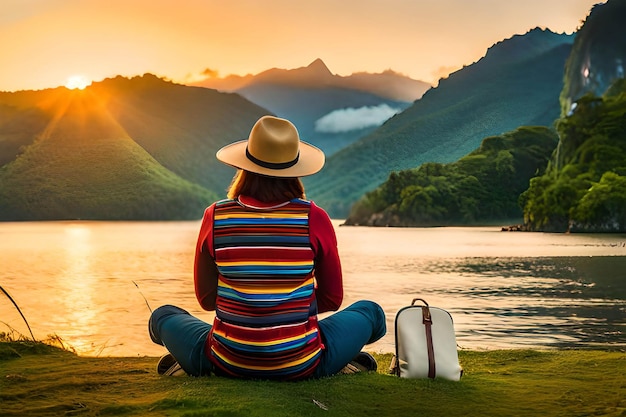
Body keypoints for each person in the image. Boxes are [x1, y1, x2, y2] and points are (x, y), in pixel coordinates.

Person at [149, 115, 386, 379]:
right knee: (371, 312)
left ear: (245, 166)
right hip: (300, 363)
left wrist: (249, 308)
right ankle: (343, 359)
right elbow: (332, 298)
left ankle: (190, 361)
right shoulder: (314, 218)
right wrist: (286, 311)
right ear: (295, 171)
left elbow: (206, 300)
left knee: (162, 317)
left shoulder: (215, 216)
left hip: (228, 361)